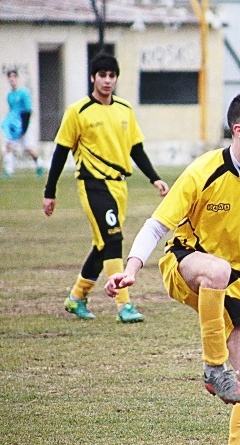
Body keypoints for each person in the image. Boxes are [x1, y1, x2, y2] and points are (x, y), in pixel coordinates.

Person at [104, 92, 240, 445]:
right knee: (215, 269)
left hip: (238, 283)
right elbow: (157, 224)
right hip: (185, 263)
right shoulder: (203, 171)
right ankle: (214, 366)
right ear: (239, 130)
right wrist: (131, 268)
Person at [42, 52, 170, 323]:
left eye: (112, 76)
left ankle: (76, 297)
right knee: (113, 239)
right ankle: (124, 306)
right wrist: (49, 192)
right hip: (92, 184)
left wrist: (154, 177)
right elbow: (60, 152)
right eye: (102, 75)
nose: (107, 81)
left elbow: (137, 149)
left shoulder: (124, 109)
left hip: (119, 186)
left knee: (103, 244)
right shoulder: (78, 112)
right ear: (93, 78)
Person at [2, 69, 44, 178]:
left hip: (25, 124)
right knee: (9, 145)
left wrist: (24, 127)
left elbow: (28, 110)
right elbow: (12, 111)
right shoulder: (10, 95)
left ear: (17, 79)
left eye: (14, 77)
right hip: (15, 126)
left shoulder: (24, 93)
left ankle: (39, 164)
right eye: (10, 77)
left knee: (28, 149)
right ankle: (9, 171)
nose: (12, 79)